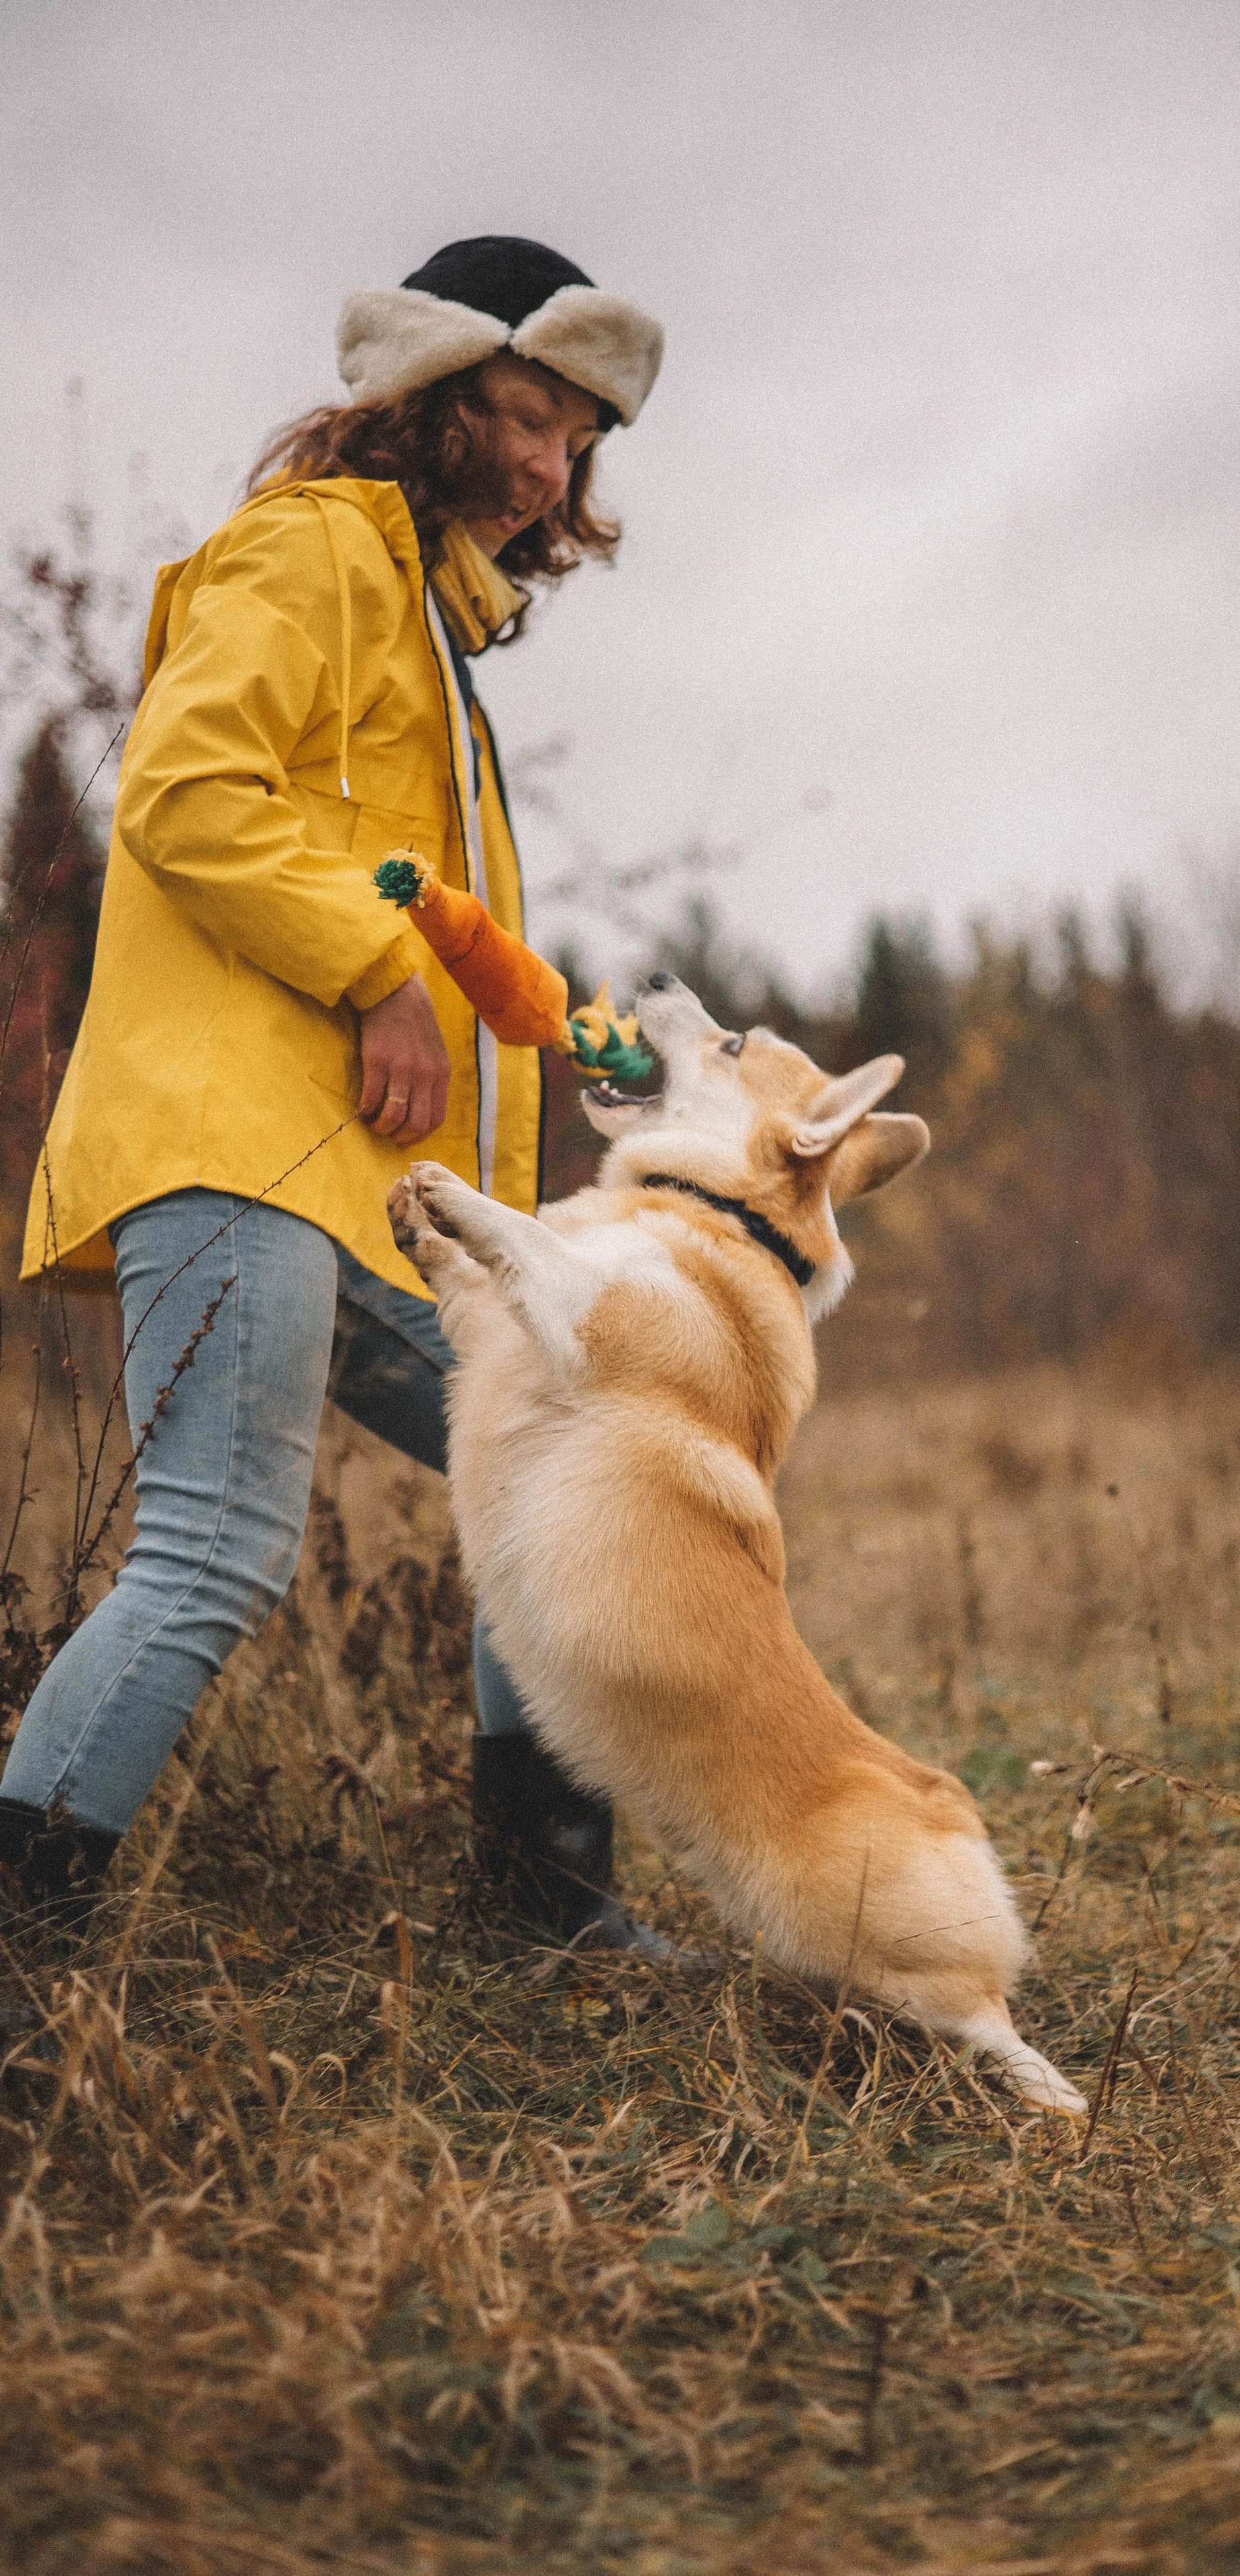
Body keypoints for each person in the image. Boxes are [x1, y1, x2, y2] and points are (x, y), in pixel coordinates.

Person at [0, 235, 665, 1947]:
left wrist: (591, 1048)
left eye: (574, 439)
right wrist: (372, 974)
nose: (544, 465)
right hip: (237, 1144)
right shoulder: (312, 552)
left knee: (570, 1451)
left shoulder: (437, 641)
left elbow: (438, 936)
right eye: (519, 416)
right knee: (218, 1545)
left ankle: (540, 1896)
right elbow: (187, 792)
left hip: (351, 1186)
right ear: (426, 406)